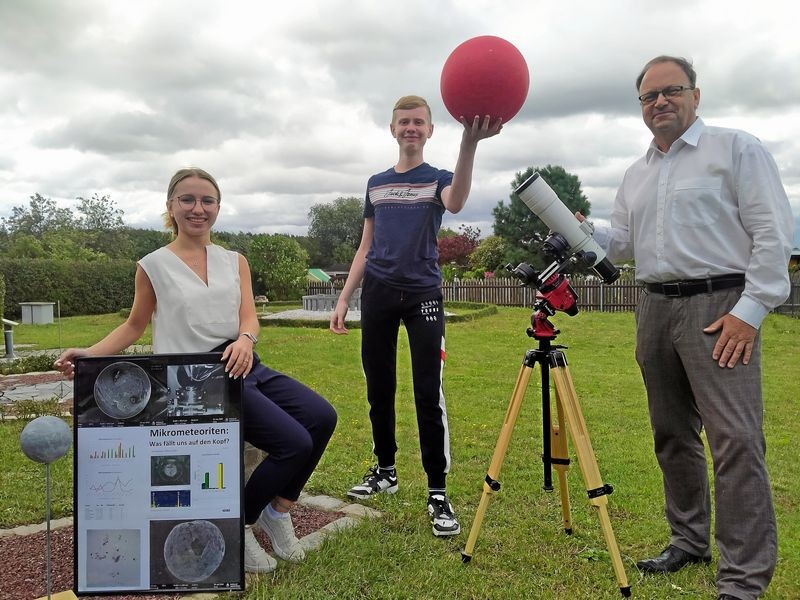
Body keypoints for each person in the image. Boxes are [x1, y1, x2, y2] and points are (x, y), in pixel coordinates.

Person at [55, 167, 337, 574]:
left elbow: (249, 319)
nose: (197, 208)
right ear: (170, 206)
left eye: (207, 200)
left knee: (321, 417)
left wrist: (245, 339)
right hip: (195, 378)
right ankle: (239, 524)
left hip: (242, 362)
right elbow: (134, 325)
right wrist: (88, 353)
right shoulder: (153, 265)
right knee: (293, 442)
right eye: (187, 199)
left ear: (218, 207)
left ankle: (278, 511)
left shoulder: (234, 260)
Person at [589, 56, 793, 600]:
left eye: (671, 91)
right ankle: (688, 539)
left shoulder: (737, 150)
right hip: (655, 307)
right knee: (672, 435)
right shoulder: (636, 173)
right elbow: (622, 244)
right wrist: (575, 226)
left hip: (720, 306)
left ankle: (744, 578)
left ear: (695, 96)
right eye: (649, 96)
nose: (660, 102)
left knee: (736, 442)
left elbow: (774, 235)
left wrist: (751, 312)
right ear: (640, 108)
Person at [329, 95, 501, 537]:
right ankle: (385, 469)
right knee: (379, 386)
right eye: (403, 121)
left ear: (429, 130)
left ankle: (438, 492)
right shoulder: (376, 184)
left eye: (418, 122)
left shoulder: (438, 179)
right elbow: (365, 246)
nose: (410, 128)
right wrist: (345, 298)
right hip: (379, 294)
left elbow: (458, 202)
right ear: (392, 129)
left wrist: (470, 143)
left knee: (428, 392)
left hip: (423, 294)